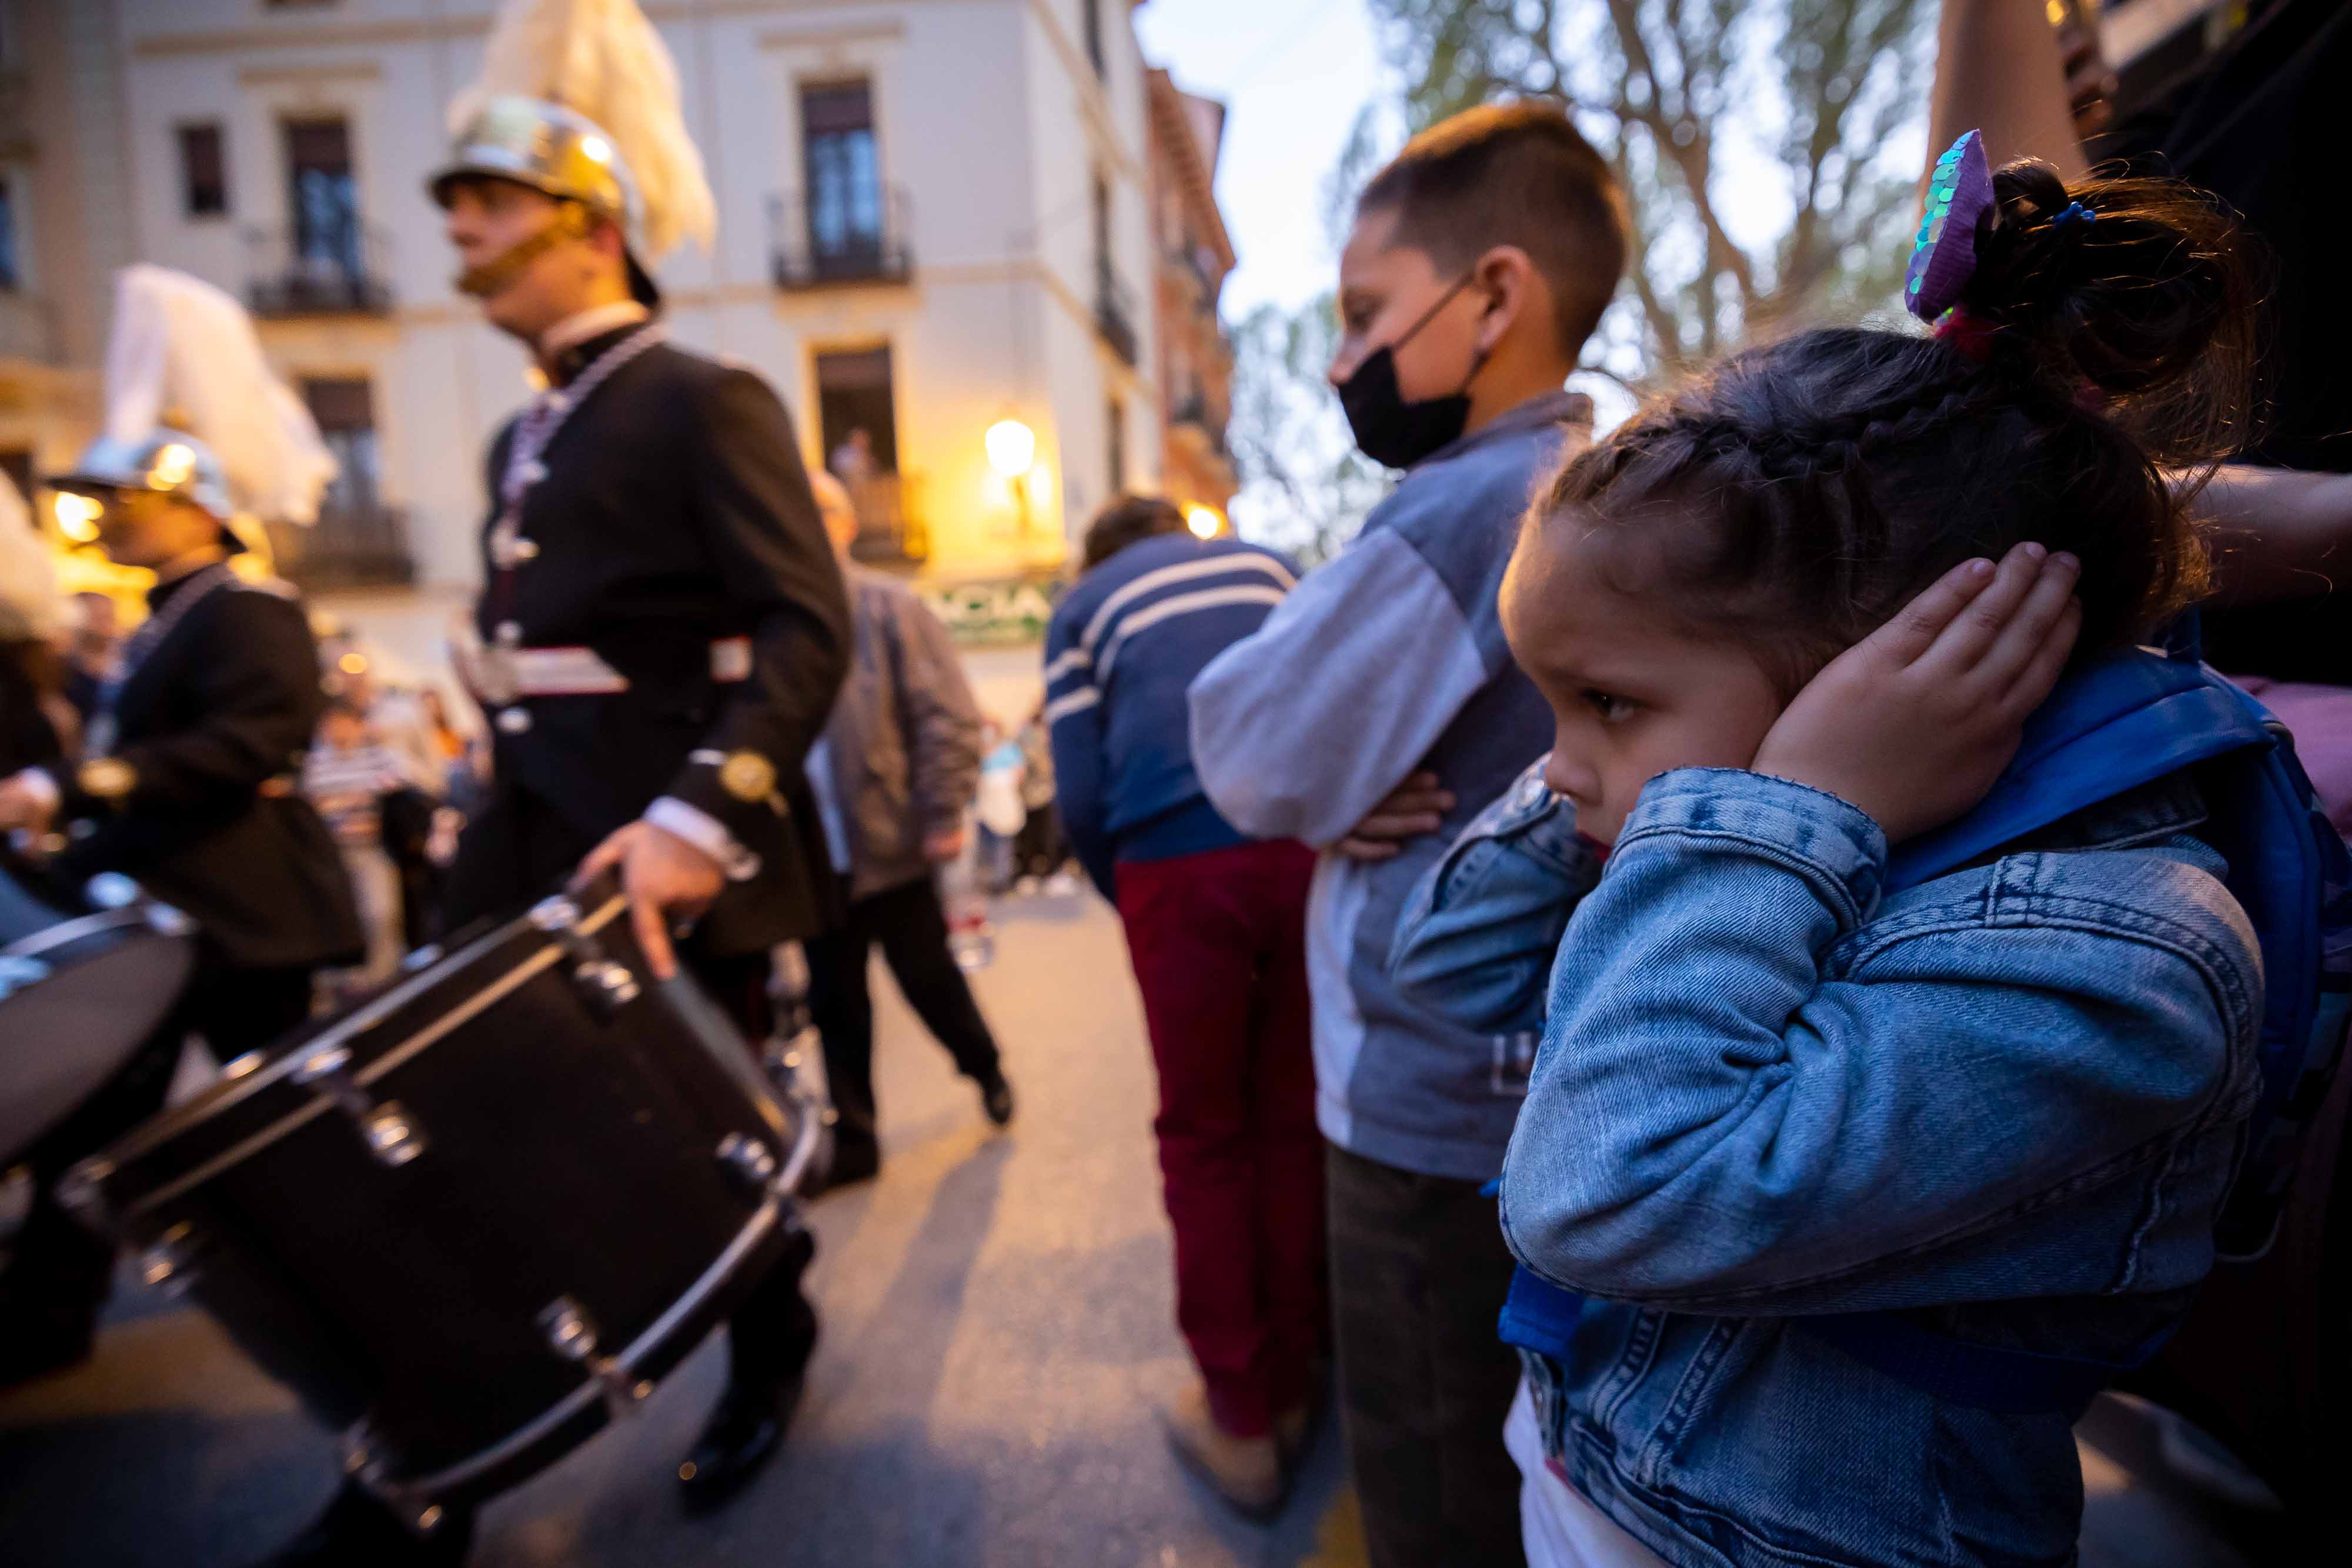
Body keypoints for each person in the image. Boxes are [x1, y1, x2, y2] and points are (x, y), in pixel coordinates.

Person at [1393, 151, 2276, 1568]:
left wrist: (1790, 805)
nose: (1557, 768)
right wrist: (1690, 782)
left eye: (1605, 701)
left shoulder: (2113, 959)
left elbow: (1601, 1189)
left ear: (1886, 677)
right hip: (1590, 1470)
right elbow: (1444, 962)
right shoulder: (1744, 829)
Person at [1187, 102, 1626, 1566]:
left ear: (1494, 294)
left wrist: (1311, 791)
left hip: (1426, 1102)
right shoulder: (1596, 486)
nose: (1337, 360)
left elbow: (1245, 745)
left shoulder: (1461, 510)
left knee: (1433, 1476)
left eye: (1365, 312)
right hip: (1534, 1083)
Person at [0, 430, 361, 1386]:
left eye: (130, 499)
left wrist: (73, 788)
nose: (108, 518)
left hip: (246, 909)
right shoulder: (164, 621)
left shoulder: (247, 609)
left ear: (198, 505)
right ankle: (47, 1312)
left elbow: (252, 740)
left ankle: (359, 1284)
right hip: (166, 910)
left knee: (273, 1116)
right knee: (95, 1114)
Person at [1044, 494, 1322, 1518]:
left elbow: (1077, 791)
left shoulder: (1082, 606)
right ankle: (1300, 1380)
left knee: (1204, 1137)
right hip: (1298, 849)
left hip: (1175, 861)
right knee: (1291, 1118)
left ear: (1099, 552)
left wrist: (1137, 896)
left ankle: (1243, 1421)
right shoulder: (1269, 564)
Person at [799, 470, 1013, 1193]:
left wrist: (942, 810)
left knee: (927, 978)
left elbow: (944, 714)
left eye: (816, 507)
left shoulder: (888, 606)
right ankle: (855, 1139)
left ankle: (984, 1068)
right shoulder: (774, 617)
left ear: (845, 522)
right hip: (811, 858)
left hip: (888, 841)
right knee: (834, 1003)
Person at [303, 698, 415, 989]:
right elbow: (309, 805)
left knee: (381, 912)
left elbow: (402, 780)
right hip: (328, 854)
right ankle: (339, 983)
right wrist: (348, 799)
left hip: (370, 847)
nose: (337, 731)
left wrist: (340, 800)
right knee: (333, 919)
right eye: (331, 725)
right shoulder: (313, 763)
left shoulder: (378, 756)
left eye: (344, 724)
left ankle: (383, 983)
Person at [60, 591, 119, 725]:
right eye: (100, 618)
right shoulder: (64, 671)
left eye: (110, 617)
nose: (107, 625)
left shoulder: (131, 662)